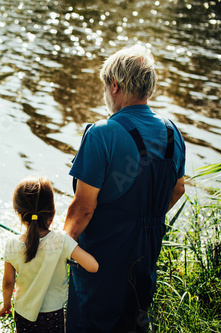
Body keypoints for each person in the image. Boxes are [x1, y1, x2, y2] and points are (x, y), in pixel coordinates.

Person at [64, 44, 186, 332]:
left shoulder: (102, 134)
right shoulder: (172, 132)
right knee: (134, 321)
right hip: (146, 254)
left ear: (114, 86)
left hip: (102, 257)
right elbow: (178, 189)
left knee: (90, 324)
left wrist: (60, 246)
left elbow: (83, 209)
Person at [0, 176, 99, 332]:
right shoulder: (61, 241)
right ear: (52, 212)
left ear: (18, 213)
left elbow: (8, 282)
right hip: (52, 315)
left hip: (22, 313)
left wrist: (6, 304)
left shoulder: (11, 245)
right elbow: (93, 266)